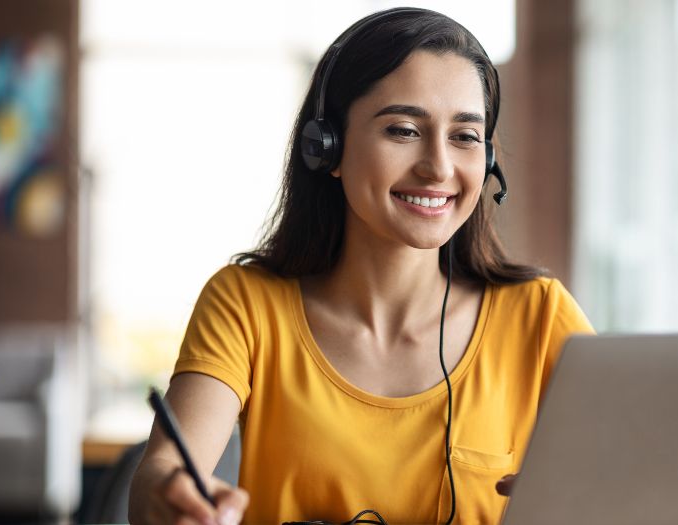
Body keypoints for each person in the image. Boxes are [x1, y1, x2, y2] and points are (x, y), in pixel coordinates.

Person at [128, 7, 593, 525]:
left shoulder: (539, 316)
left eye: (464, 136)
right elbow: (164, 470)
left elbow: (633, 474)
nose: (438, 166)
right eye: (403, 130)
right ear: (326, 146)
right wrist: (173, 500)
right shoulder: (247, 302)